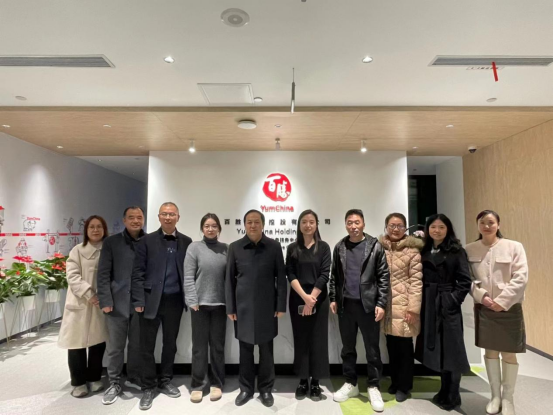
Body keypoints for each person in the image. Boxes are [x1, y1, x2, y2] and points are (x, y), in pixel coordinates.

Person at [131, 202, 192, 411]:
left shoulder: (186, 241)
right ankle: (148, 386)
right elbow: (137, 273)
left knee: (170, 344)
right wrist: (138, 300)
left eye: (172, 214)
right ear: (158, 217)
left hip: (175, 301)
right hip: (150, 301)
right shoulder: (145, 241)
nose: (168, 217)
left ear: (178, 217)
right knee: (146, 346)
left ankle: (166, 380)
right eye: (164, 214)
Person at [466, 210, 528, 415]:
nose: (486, 226)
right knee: (490, 352)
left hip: (509, 307)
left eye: (491, 222)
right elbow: (467, 279)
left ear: (498, 224)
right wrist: (482, 296)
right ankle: (495, 396)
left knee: (509, 352)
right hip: (485, 307)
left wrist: (502, 301)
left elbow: (521, 277)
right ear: (478, 225)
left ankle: (508, 398)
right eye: (482, 222)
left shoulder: (514, 247)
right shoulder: (469, 249)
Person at [329, 209, 390, 413]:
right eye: (349, 222)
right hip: (346, 306)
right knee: (348, 348)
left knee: (372, 349)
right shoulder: (340, 247)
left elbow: (383, 276)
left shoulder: (375, 246)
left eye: (357, 222)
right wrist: (333, 298)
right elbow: (334, 276)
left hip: (368, 306)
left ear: (363, 224)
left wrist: (381, 303)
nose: (353, 226)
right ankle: (351, 383)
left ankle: (373, 386)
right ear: (345, 225)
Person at [225, 209, 287, 408]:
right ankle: (245, 389)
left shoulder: (274, 246)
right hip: (242, 308)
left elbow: (281, 278)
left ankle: (266, 389)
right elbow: (229, 280)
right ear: (244, 225)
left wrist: (280, 305)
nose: (253, 225)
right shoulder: (235, 247)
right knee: (245, 350)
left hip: (267, 307)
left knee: (267, 351)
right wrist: (230, 307)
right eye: (249, 222)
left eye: (256, 222)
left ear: (263, 224)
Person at [415, 214, 471, 411]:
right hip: (429, 303)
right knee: (439, 349)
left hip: (447, 303)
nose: (437, 231)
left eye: (441, 227)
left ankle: (453, 393)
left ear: (448, 229)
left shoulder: (456, 251)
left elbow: (465, 281)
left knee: (452, 349)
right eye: (433, 227)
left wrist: (452, 300)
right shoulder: (424, 249)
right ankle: (444, 389)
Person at [97, 206, 145, 405]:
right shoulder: (111, 242)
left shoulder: (148, 241)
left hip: (139, 304)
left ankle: (134, 376)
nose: (135, 221)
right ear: (124, 220)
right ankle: (114, 382)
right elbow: (103, 274)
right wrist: (105, 300)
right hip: (116, 304)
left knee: (136, 345)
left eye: (139, 217)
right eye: (131, 217)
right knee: (115, 347)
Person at [58, 215, 109, 398]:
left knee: (97, 343)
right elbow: (72, 276)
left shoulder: (109, 250)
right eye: (91, 227)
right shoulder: (77, 251)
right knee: (76, 344)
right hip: (79, 303)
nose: (95, 230)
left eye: (99, 227)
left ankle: (94, 378)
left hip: (100, 303)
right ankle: (78, 382)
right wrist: (89, 293)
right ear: (86, 230)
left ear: (104, 230)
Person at [285, 209, 331, 401]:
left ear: (317, 224)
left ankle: (316, 382)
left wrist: (311, 299)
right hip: (298, 298)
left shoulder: (324, 247)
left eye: (311, 222)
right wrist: (305, 298)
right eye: (304, 222)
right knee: (301, 339)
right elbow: (290, 274)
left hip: (319, 300)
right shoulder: (292, 248)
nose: (308, 225)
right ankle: (303, 380)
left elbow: (325, 274)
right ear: (299, 225)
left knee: (318, 340)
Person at [183, 213, 228, 403]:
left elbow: (231, 277)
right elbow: (188, 277)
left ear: (219, 229)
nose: (210, 229)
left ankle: (217, 383)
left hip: (221, 305)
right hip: (199, 306)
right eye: (207, 226)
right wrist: (192, 300)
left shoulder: (226, 249)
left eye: (214, 226)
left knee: (217, 347)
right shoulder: (194, 248)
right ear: (202, 228)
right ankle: (198, 385)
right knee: (199, 348)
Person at [379, 213, 423, 403]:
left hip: (405, 305)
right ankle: (395, 381)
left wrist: (413, 308)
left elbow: (417, 282)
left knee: (405, 348)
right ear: (386, 227)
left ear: (405, 228)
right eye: (391, 225)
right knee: (391, 346)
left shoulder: (412, 251)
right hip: (386, 306)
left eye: (399, 226)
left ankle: (404, 386)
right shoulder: (381, 248)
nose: (395, 229)